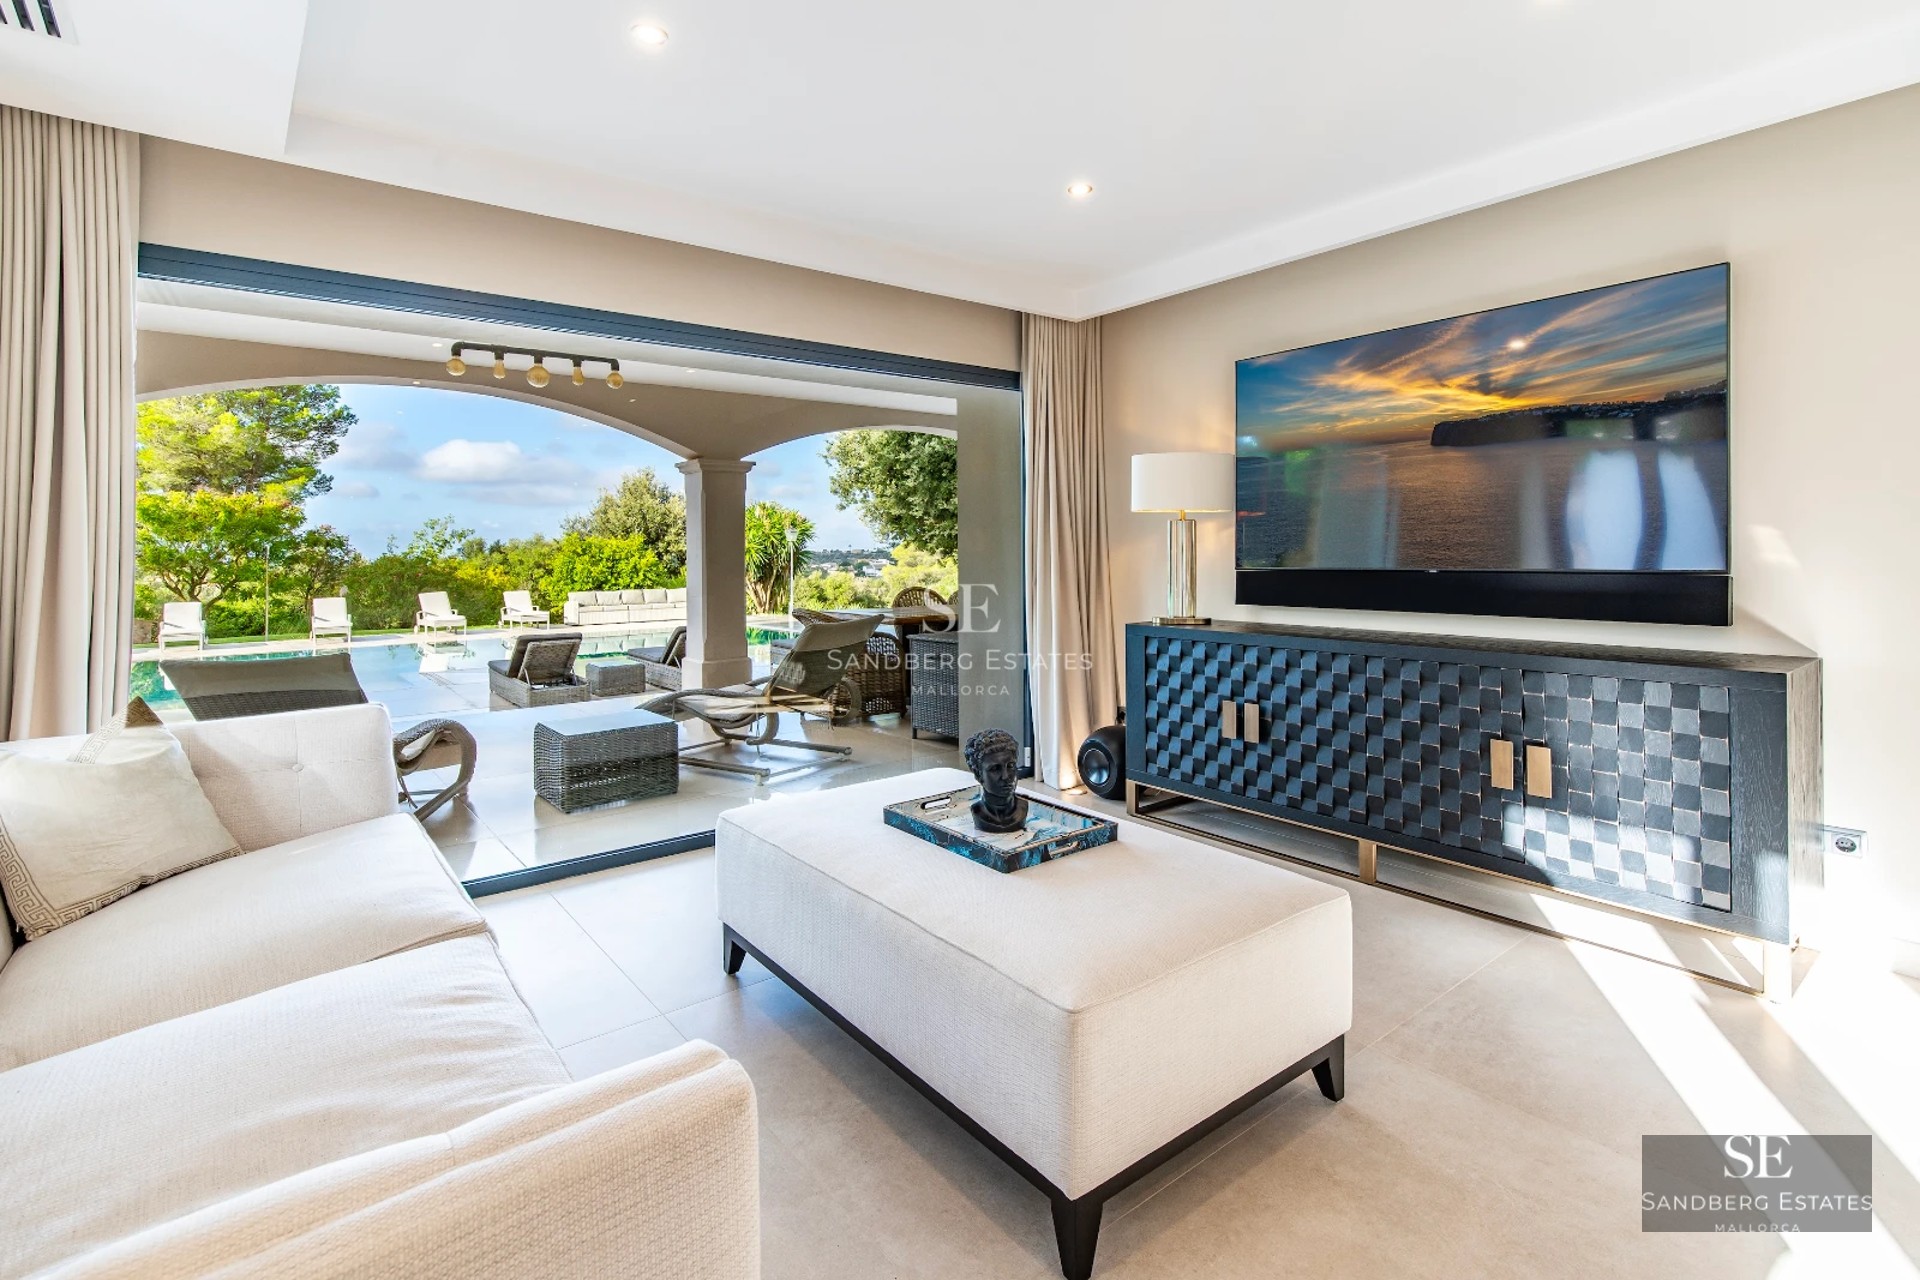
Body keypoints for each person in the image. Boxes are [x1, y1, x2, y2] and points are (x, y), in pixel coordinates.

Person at [964, 728, 1028, 834]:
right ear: (978, 774)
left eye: (1010, 766)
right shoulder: (977, 812)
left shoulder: (1023, 808)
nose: (1005, 776)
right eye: (995, 769)